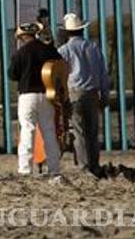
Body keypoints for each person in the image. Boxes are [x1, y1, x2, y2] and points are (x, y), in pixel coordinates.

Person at [57, 12, 110, 176]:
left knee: (79, 132)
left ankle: (84, 166)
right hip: (93, 93)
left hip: (75, 93)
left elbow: (60, 74)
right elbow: (103, 73)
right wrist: (105, 95)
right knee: (93, 132)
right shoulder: (94, 48)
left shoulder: (64, 50)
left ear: (67, 32)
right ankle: (95, 164)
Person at [8, 22, 63, 176]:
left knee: (27, 129)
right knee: (49, 131)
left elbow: (12, 75)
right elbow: (60, 67)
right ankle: (54, 169)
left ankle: (25, 169)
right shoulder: (49, 50)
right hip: (47, 94)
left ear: (22, 36)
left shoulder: (20, 53)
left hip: (27, 95)